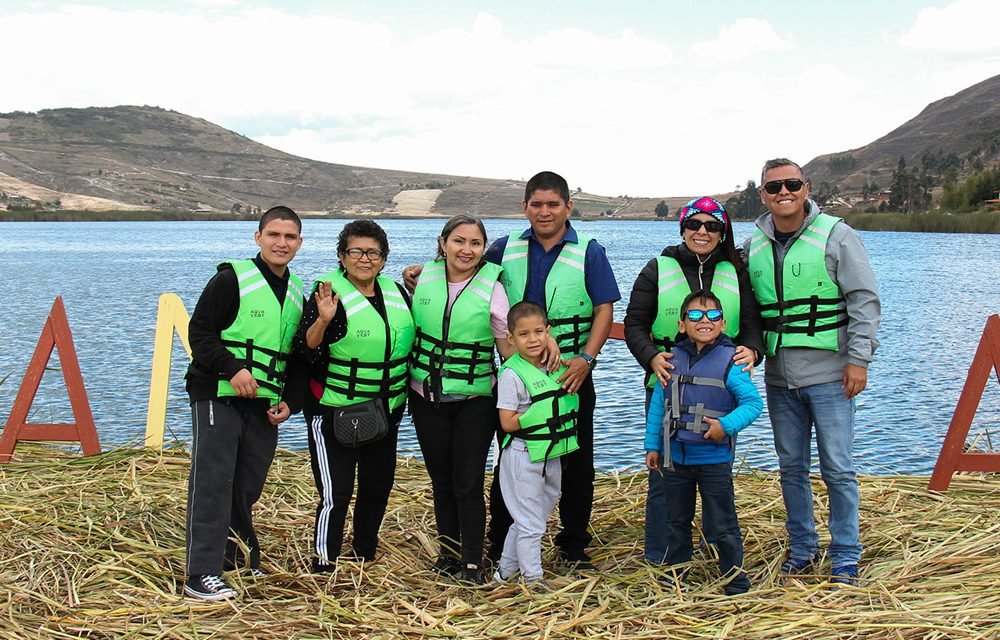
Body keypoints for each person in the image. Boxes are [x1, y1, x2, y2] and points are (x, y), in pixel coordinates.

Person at [405, 171, 619, 568]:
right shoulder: (505, 248)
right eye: (536, 204)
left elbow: (605, 308)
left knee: (576, 461)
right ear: (524, 208)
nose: (544, 212)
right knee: (511, 458)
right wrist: (419, 272)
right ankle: (499, 540)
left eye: (553, 204)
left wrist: (586, 360)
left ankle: (572, 545)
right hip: (518, 375)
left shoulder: (589, 250)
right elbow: (462, 270)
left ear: (568, 207)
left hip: (570, 373)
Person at [746, 158, 880, 585]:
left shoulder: (838, 236)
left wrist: (859, 359)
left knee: (837, 468)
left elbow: (864, 301)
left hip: (831, 374)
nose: (783, 192)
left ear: (806, 187)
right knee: (791, 466)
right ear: (763, 194)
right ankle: (802, 547)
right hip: (780, 377)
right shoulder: (753, 247)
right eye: (773, 187)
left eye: (791, 183)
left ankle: (845, 553)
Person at [624, 196, 764, 565]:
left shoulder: (737, 270)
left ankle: (722, 557)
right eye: (695, 224)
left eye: (713, 226)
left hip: (719, 389)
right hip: (666, 384)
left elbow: (752, 321)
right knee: (665, 479)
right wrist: (651, 356)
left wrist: (753, 349)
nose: (703, 232)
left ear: (723, 233)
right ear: (683, 227)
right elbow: (635, 323)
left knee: (716, 478)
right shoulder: (658, 268)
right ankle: (664, 557)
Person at [183, 205, 306, 601]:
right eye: (274, 235)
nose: (281, 243)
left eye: (289, 237)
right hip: (217, 394)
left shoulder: (298, 293)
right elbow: (199, 333)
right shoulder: (230, 279)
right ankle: (200, 574)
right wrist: (232, 368)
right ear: (259, 237)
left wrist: (291, 401)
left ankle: (235, 555)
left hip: (263, 403)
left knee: (248, 483)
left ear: (299, 243)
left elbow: (297, 357)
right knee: (213, 482)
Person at [295, 219, 415, 571]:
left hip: (385, 410)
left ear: (383, 257)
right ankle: (323, 561)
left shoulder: (395, 292)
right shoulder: (328, 295)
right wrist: (323, 319)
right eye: (356, 252)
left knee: (377, 486)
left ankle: (364, 552)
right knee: (337, 493)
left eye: (373, 252)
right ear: (342, 257)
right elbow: (306, 349)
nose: (365, 259)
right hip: (335, 411)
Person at [409, 215, 514, 584]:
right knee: (441, 479)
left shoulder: (493, 288)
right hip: (425, 396)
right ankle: (448, 554)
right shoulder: (424, 279)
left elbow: (507, 349)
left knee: (467, 481)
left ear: (483, 249)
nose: (466, 250)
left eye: (474, 243)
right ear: (443, 243)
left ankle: (472, 560)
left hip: (475, 399)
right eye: (458, 241)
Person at [644, 290, 762, 595]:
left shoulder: (731, 362)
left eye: (712, 316)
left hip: (712, 459)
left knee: (723, 523)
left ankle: (735, 581)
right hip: (676, 458)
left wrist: (726, 426)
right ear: (682, 324)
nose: (704, 321)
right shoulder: (670, 360)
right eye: (695, 315)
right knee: (676, 521)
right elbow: (659, 403)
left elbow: (752, 404)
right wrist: (652, 445)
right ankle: (676, 576)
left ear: (723, 324)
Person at [493, 301, 579, 586]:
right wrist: (537, 414)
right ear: (511, 338)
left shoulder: (554, 365)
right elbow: (507, 422)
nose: (533, 340)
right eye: (524, 334)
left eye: (538, 332)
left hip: (551, 452)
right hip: (522, 453)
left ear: (548, 332)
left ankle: (504, 573)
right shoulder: (511, 374)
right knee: (530, 523)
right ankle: (533, 579)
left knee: (531, 518)